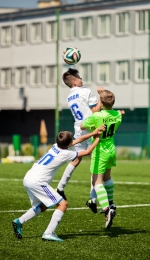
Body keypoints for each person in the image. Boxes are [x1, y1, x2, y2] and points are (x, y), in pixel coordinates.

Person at [12, 126, 105, 242]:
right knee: (63, 204)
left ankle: (19, 222)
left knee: (43, 205)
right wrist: (97, 138)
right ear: (69, 143)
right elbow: (87, 151)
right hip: (37, 181)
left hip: (28, 177)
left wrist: (93, 133)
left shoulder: (55, 146)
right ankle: (48, 233)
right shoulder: (66, 153)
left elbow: (78, 140)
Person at [56, 68, 103, 206]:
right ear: (75, 82)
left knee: (76, 160)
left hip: (78, 128)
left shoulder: (69, 97)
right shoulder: (85, 91)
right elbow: (95, 110)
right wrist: (100, 95)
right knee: (96, 161)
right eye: (79, 77)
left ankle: (60, 187)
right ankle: (93, 198)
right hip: (90, 127)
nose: (81, 78)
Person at [81, 90, 124, 229]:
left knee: (96, 181)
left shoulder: (96, 116)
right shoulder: (118, 115)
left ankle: (106, 209)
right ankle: (111, 203)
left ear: (101, 102)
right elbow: (116, 113)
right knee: (107, 177)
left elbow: (82, 126)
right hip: (111, 148)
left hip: (99, 150)